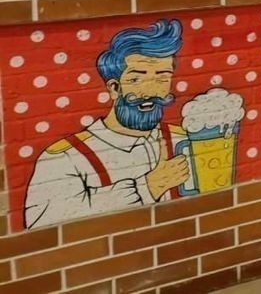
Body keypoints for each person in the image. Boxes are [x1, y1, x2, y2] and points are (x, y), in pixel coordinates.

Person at [24, 20, 189, 229]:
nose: (150, 91)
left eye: (162, 78)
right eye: (136, 80)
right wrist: (147, 187)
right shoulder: (66, 158)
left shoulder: (182, 139)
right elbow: (43, 229)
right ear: (114, 88)